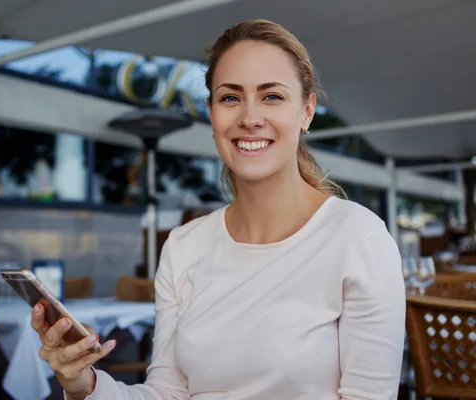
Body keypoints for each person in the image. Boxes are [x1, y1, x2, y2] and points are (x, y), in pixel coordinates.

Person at [31, 19, 406, 400]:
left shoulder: (360, 239)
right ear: (212, 113)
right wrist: (84, 385)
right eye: (230, 98)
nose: (249, 117)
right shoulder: (183, 246)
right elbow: (168, 392)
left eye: (272, 96)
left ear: (307, 111)